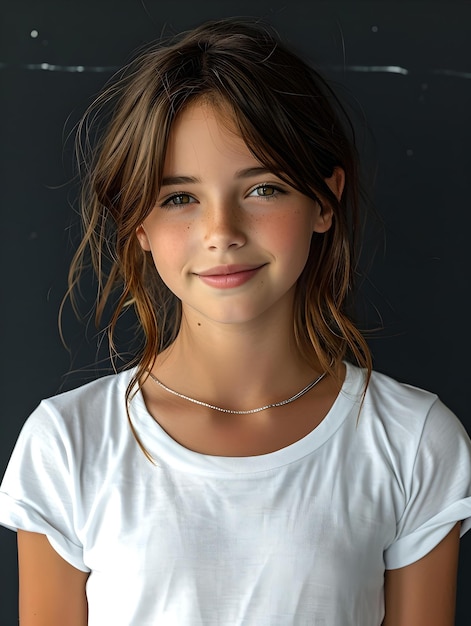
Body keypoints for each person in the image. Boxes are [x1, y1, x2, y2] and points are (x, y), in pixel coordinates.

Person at [0, 17, 470, 626]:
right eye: (179, 198)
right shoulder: (68, 444)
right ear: (137, 223)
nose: (221, 232)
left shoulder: (412, 443)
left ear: (323, 202)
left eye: (263, 189)